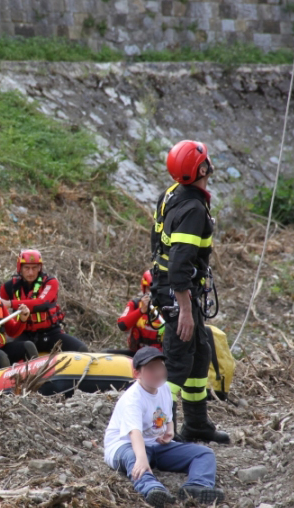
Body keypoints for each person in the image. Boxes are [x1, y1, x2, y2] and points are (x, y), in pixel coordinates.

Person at [150, 140, 229, 444]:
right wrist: (184, 308)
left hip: (175, 287)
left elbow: (158, 243)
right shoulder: (193, 209)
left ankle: (196, 425)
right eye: (206, 160)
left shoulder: (172, 193)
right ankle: (162, 433)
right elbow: (179, 264)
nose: (210, 162)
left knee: (200, 353)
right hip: (177, 290)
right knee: (179, 359)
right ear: (202, 170)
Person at [103, 347, 226, 507]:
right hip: (125, 445)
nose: (158, 373)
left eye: (160, 367)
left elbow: (167, 417)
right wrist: (141, 459)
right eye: (151, 369)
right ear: (136, 373)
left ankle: (197, 486)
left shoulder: (164, 388)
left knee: (204, 453)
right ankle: (152, 488)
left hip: (156, 445)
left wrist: (169, 431)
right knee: (133, 458)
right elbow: (134, 433)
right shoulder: (133, 399)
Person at [0, 249, 89, 353]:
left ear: (39, 268)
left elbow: (42, 303)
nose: (31, 272)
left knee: (81, 349)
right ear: (20, 268)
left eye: (34, 268)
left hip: (51, 334)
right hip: (24, 335)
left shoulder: (50, 282)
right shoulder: (8, 287)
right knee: (13, 351)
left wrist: (10, 304)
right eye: (27, 268)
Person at [106, 270, 165, 356]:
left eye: (155, 290)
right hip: (137, 354)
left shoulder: (168, 308)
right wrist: (140, 311)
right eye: (149, 289)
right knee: (105, 353)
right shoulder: (135, 304)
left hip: (160, 355)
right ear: (144, 288)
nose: (152, 293)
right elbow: (122, 325)